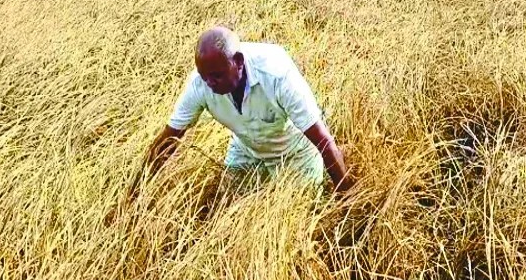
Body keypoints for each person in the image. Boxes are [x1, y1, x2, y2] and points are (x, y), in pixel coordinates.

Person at [109, 26, 352, 221]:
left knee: (296, 219)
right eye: (205, 77)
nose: (210, 84)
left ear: (238, 61)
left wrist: (349, 203)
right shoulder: (200, 84)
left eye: (217, 75)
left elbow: (323, 141)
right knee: (227, 212)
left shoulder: (276, 74)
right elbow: (168, 141)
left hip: (295, 153)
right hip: (247, 150)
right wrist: (133, 195)